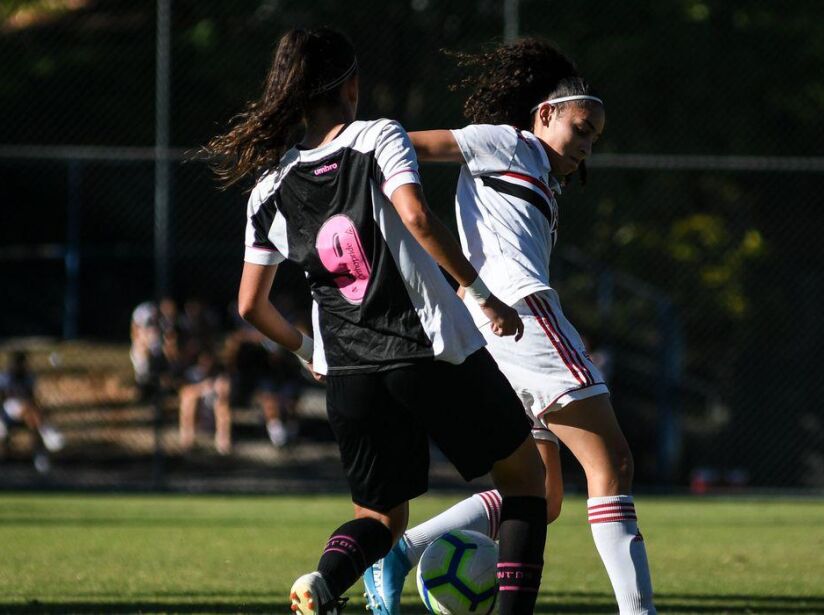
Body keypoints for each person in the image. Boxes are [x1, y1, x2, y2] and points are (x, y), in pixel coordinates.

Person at [205, 27, 548, 615]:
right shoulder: (377, 136)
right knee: (525, 482)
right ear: (352, 86)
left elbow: (249, 306)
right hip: (431, 349)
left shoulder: (269, 187)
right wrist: (480, 292)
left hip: (349, 371)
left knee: (381, 520)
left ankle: (324, 581)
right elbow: (415, 215)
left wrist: (307, 349)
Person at [363, 39, 656, 615]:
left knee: (540, 494)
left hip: (499, 329)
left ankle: (401, 552)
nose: (589, 143)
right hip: (520, 314)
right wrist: (348, 154)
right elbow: (400, 146)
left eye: (597, 134)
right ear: (544, 115)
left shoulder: (541, 173)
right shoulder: (510, 141)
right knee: (613, 461)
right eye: (582, 127)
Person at [0, 350, 65, 474]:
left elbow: (32, 397)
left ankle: (40, 455)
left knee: (32, 416)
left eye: (23, 363)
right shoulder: (4, 377)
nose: (22, 366)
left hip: (27, 412)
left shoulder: (29, 378)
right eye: (19, 363)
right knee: (27, 409)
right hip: (7, 410)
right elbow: (4, 398)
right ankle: (47, 433)